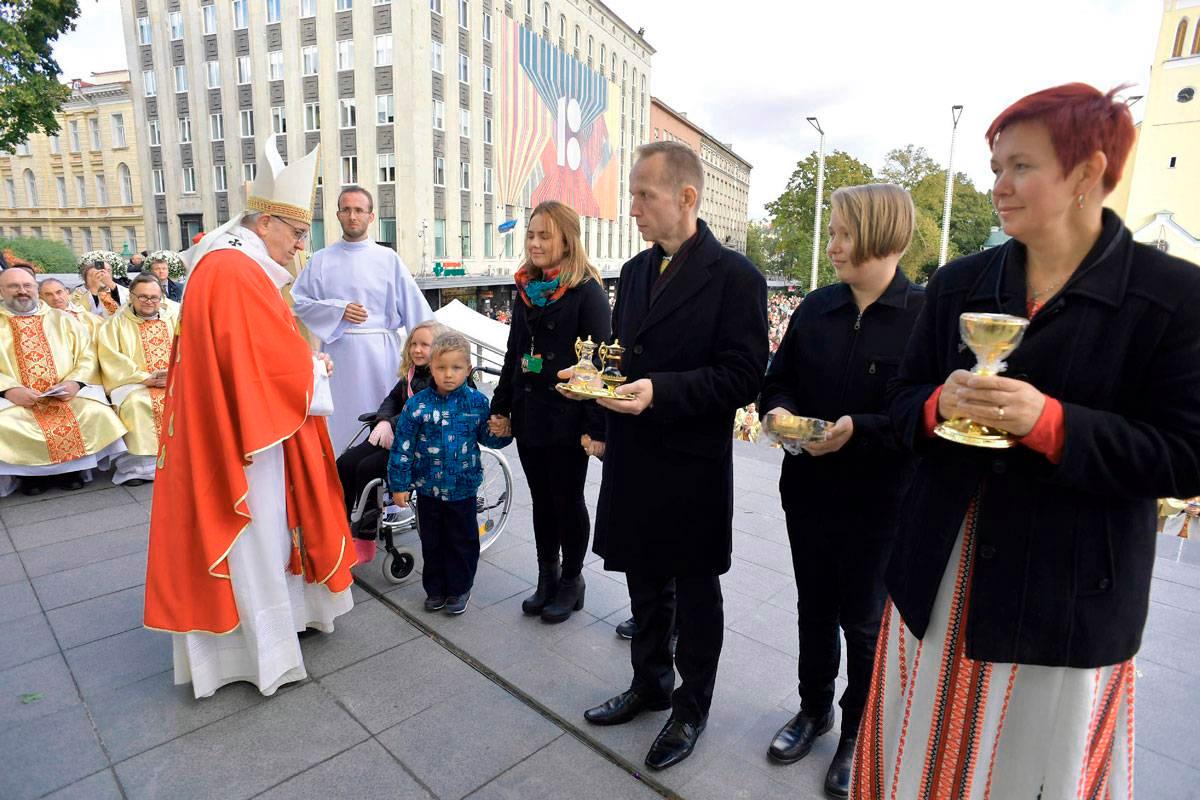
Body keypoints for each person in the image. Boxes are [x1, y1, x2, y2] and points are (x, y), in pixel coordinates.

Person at [852, 84, 1200, 799]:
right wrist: (936, 404)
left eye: (1020, 167)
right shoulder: (959, 283)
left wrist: (1051, 424)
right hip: (942, 577)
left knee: (1030, 775)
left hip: (1065, 597)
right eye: (995, 165)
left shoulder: (1171, 296)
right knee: (921, 765)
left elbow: (1185, 454)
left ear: (1086, 173)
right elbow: (899, 407)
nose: (998, 186)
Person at [567, 141, 768, 771]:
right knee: (643, 581)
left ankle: (691, 705)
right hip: (633, 454)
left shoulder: (736, 278)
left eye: (642, 195)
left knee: (696, 591)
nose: (632, 208)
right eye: (631, 194)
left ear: (686, 197)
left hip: (690, 463)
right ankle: (649, 683)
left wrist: (662, 392)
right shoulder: (632, 272)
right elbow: (623, 355)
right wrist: (597, 391)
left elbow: (744, 377)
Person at [143, 142, 357, 699]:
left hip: (236, 425)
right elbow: (260, 364)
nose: (299, 245)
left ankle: (276, 628)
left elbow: (254, 351)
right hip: (243, 441)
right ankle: (258, 652)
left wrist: (304, 364)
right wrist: (311, 369)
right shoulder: (235, 271)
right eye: (295, 232)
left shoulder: (229, 264)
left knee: (266, 531)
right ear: (265, 222)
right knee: (254, 532)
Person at [758, 184, 924, 797]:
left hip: (881, 504)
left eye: (842, 234)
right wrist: (778, 413)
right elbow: (777, 382)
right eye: (832, 233)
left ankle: (859, 730)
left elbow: (924, 416)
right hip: (807, 491)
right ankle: (814, 709)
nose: (831, 247)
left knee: (864, 623)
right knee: (813, 611)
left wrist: (861, 431)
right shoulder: (816, 308)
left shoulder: (923, 317)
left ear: (883, 234)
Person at [488, 200, 611, 623]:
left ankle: (572, 580)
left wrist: (598, 427)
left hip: (568, 419)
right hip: (529, 415)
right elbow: (513, 353)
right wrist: (501, 406)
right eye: (531, 235)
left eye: (545, 235)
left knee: (567, 500)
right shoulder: (526, 290)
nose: (536, 243)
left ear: (566, 239)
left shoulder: (587, 293)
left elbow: (601, 367)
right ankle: (547, 576)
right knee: (541, 500)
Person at [291, 185, 434, 451]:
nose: (352, 216)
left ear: (371, 216)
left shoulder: (388, 259)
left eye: (359, 210)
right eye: (346, 210)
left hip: (381, 355)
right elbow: (299, 303)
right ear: (337, 215)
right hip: (338, 357)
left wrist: (435, 356)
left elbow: (419, 314)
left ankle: (382, 485)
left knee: (382, 420)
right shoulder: (321, 260)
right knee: (341, 428)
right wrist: (338, 311)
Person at [388, 332, 512, 616]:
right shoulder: (417, 405)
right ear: (430, 367)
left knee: (462, 540)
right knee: (432, 541)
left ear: (468, 369)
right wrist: (399, 484)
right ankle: (435, 589)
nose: (448, 374)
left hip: (463, 489)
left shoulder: (478, 403)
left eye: (456, 368)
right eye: (441, 367)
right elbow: (402, 447)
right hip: (428, 490)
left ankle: (459, 588)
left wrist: (503, 432)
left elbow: (488, 438)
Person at [0, 267, 126, 497]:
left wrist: (74, 384)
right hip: (16, 400)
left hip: (64, 393)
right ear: (2, 290)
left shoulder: (62, 319)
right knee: (6, 423)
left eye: (27, 286)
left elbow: (87, 355)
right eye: (13, 286)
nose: (22, 291)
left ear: (34, 289)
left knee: (94, 412)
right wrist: (8, 389)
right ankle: (29, 476)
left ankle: (72, 472)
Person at [335, 318, 448, 556]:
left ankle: (365, 538)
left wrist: (391, 424)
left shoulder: (441, 379)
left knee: (367, 469)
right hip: (395, 436)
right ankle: (340, 523)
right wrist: (384, 420)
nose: (417, 349)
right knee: (344, 463)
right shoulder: (411, 373)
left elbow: (422, 414)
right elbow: (392, 400)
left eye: (424, 345)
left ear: (438, 347)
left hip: (419, 446)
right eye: (413, 344)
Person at [96, 274, 179, 487]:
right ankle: (140, 468)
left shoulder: (177, 315)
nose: (149, 302)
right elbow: (111, 357)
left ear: (161, 297)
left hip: (177, 378)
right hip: (134, 382)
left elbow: (195, 346)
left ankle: (184, 461)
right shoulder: (115, 323)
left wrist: (176, 374)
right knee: (136, 404)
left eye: (154, 297)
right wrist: (146, 378)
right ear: (131, 296)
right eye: (142, 297)